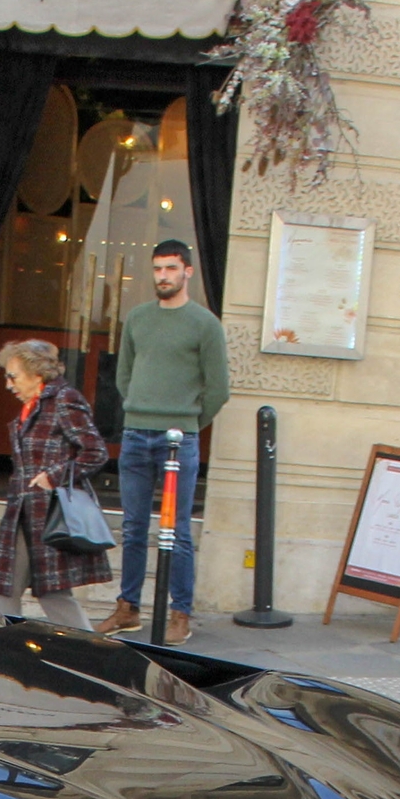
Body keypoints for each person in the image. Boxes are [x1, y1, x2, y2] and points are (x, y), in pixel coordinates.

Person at [99, 238, 229, 642]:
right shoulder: (137, 318)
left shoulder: (204, 324)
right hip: (137, 433)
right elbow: (124, 375)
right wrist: (139, 407)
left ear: (187, 271)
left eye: (171, 268)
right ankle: (128, 606)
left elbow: (218, 388)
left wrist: (189, 422)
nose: (163, 276)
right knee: (135, 526)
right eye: (157, 269)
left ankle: (180, 612)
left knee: (178, 529)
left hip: (179, 439)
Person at [0, 340, 107, 631]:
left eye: (13, 376)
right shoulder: (32, 406)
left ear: (36, 374)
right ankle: (0, 646)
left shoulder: (64, 400)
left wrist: (53, 476)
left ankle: (89, 650)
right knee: (8, 590)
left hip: (49, 514)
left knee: (51, 592)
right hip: (23, 513)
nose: (7, 384)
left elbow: (95, 451)